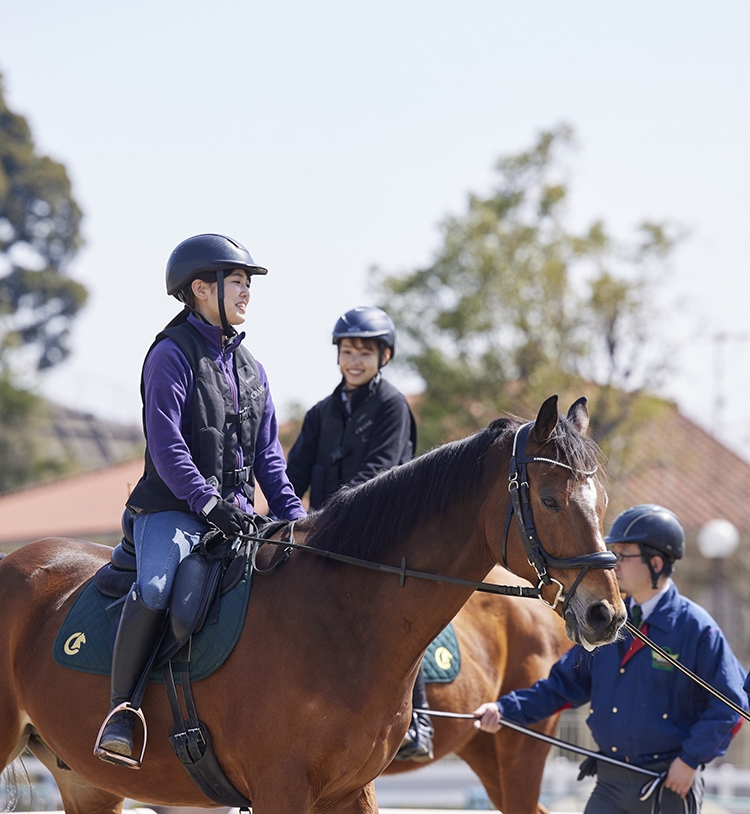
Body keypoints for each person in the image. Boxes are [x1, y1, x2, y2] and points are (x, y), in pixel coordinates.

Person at [95, 233, 306, 765]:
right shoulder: (170, 355)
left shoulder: (252, 370)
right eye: (237, 282)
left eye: (246, 284)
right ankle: (123, 710)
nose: (245, 294)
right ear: (201, 289)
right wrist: (207, 502)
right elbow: (166, 443)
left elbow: (269, 459)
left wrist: (297, 521)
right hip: (172, 511)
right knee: (158, 585)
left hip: (237, 518)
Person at [474, 504, 747, 814]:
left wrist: (689, 760)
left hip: (667, 785)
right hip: (610, 785)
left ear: (655, 563)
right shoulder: (608, 621)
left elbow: (732, 706)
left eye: (623, 554)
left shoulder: (696, 629)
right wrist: (504, 709)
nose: (612, 563)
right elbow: (560, 688)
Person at [286, 306, 432, 762]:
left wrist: (328, 519)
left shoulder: (393, 407)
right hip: (321, 535)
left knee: (404, 613)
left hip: (383, 539)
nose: (354, 360)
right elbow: (292, 475)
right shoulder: (319, 413)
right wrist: (274, 520)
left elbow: (380, 472)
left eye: (364, 352)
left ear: (383, 356)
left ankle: (419, 718)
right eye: (347, 351)